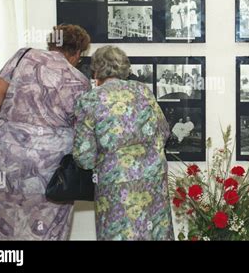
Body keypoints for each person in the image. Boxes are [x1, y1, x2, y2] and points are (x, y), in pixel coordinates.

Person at [0, 24, 91, 240]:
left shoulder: (23, 56)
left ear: (51, 43)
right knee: (45, 223)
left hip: (3, 152)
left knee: (1, 218)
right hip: (48, 165)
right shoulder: (80, 82)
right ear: (77, 53)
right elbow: (81, 133)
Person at [73, 46, 174, 241]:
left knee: (119, 233)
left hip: (115, 183)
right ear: (125, 68)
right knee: (154, 233)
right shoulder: (143, 90)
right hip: (153, 178)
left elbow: (84, 156)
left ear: (96, 71)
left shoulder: (89, 99)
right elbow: (164, 131)